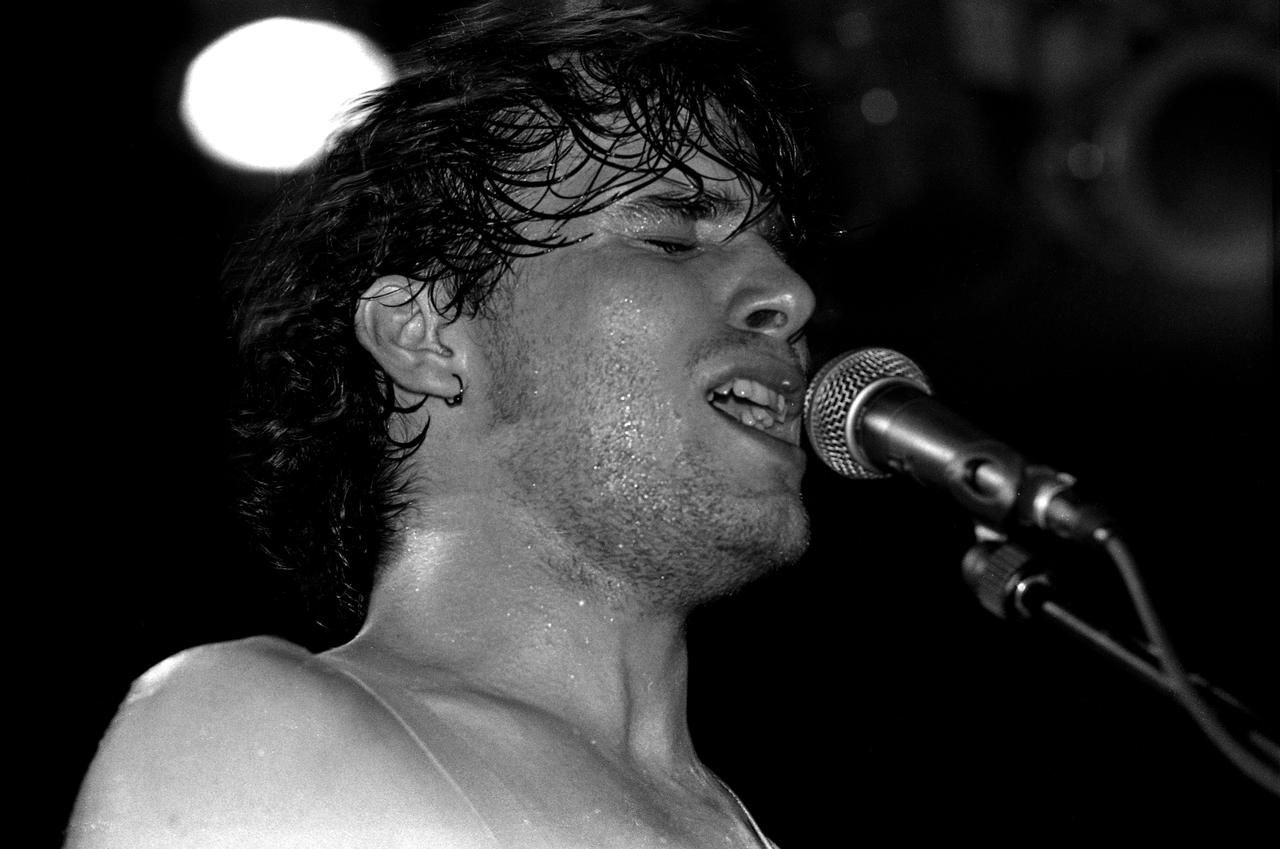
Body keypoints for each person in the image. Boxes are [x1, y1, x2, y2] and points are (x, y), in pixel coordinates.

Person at [68, 3, 816, 847]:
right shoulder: (269, 734)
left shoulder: (738, 822)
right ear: (422, 336)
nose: (790, 296)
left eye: (775, 246)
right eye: (672, 238)